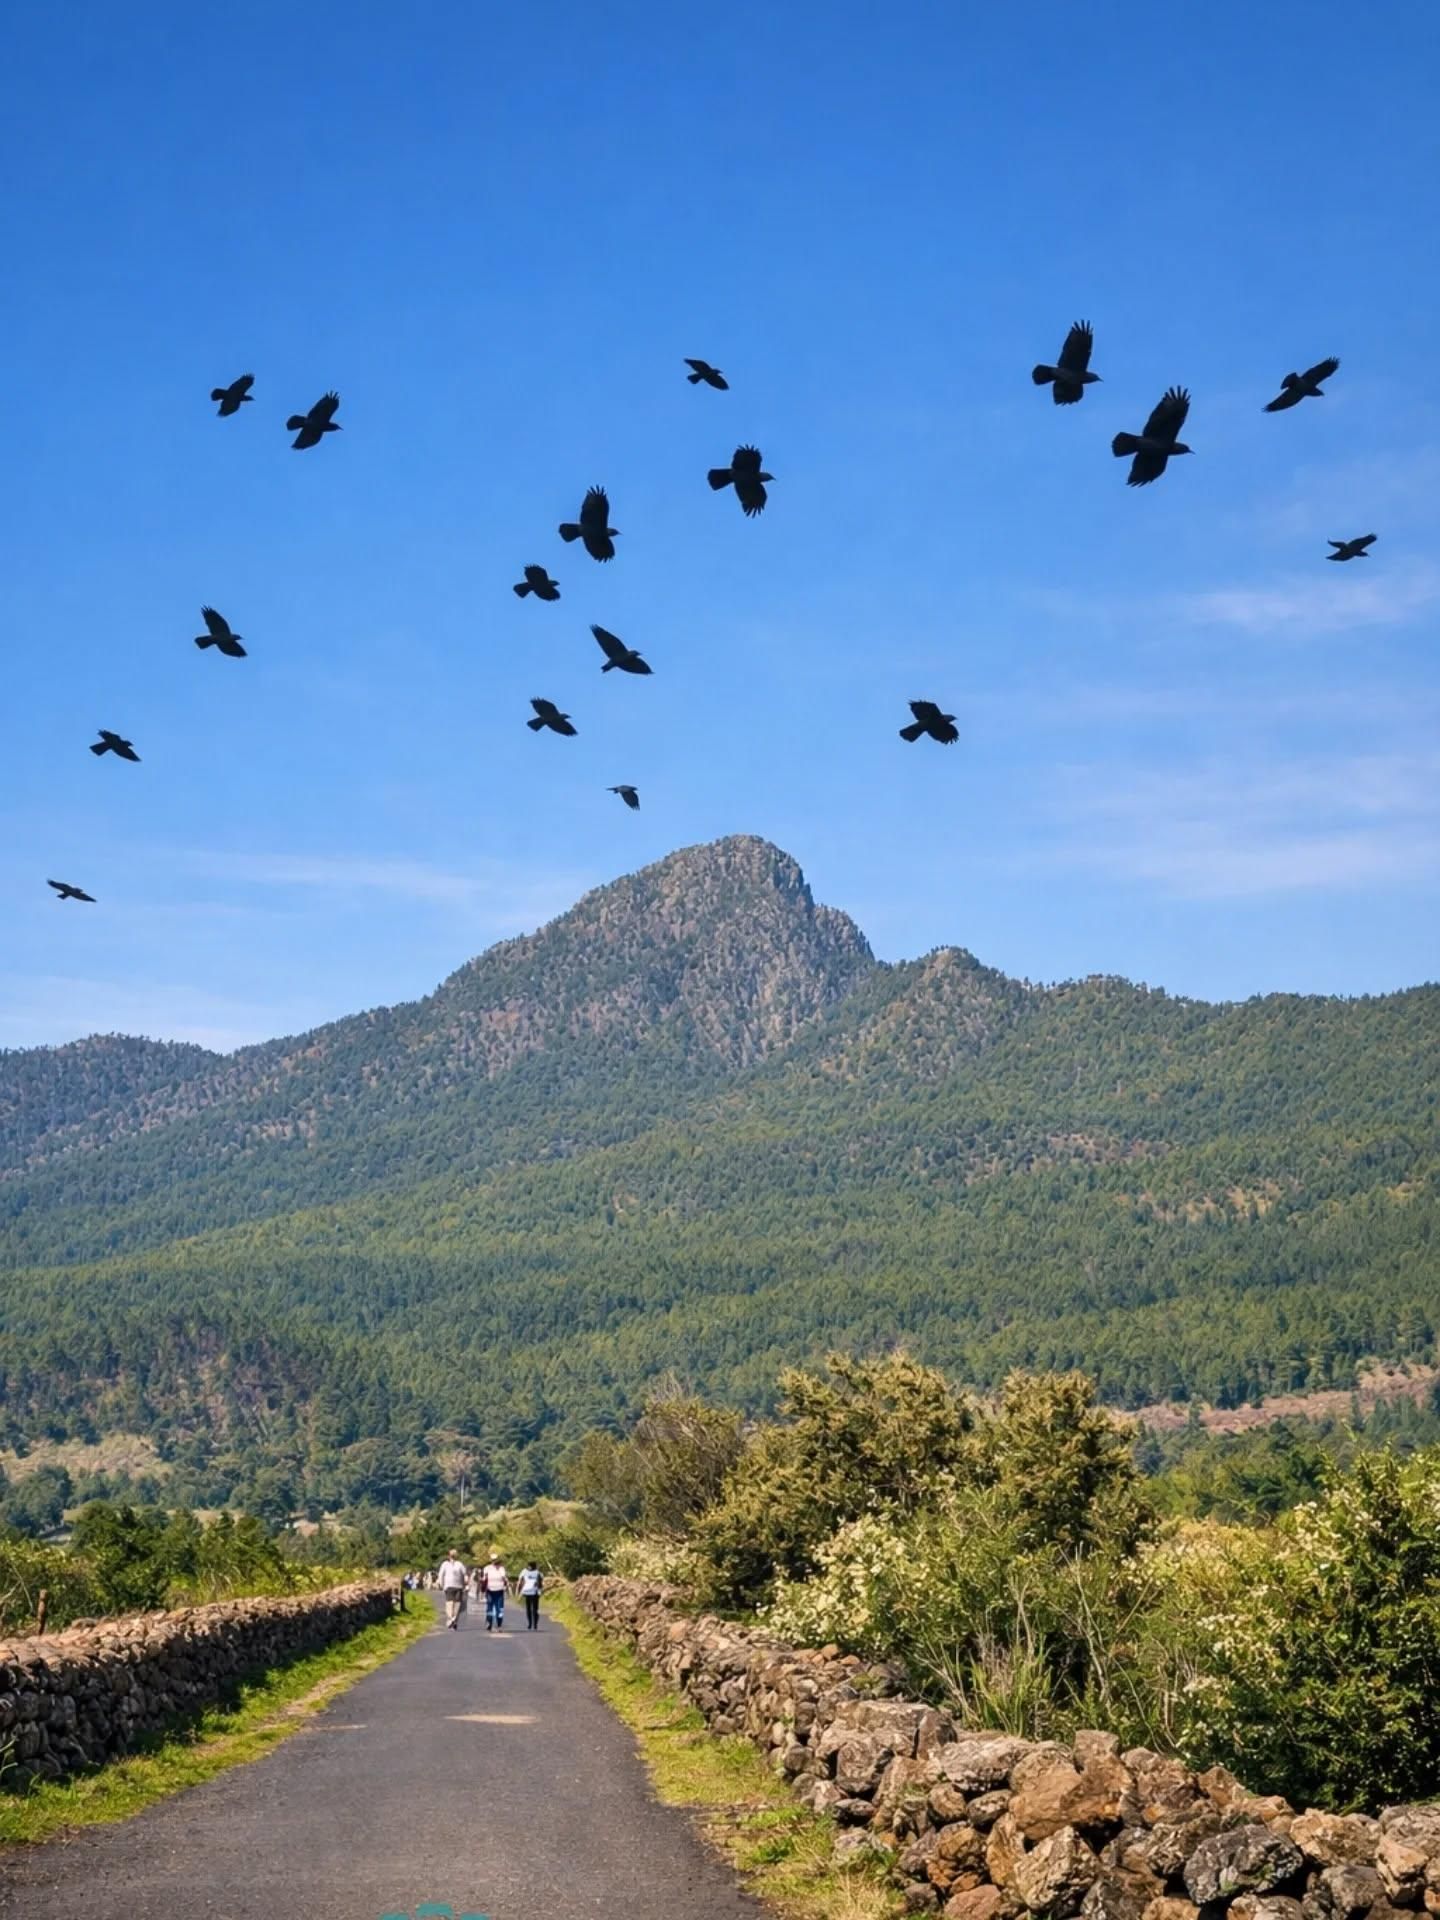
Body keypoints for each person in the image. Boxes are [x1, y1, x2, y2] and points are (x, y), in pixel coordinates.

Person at [436, 1549, 469, 1629]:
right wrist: (441, 1583)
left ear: (449, 1556)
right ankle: (453, 1619)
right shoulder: (448, 1564)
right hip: (454, 1586)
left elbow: (441, 1575)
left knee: (451, 1603)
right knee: (455, 1603)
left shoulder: (456, 1564)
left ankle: (451, 1619)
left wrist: (441, 1584)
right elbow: (465, 1575)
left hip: (453, 1586)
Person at [480, 1550, 509, 1631]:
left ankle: (499, 1625)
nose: (494, 1561)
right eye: (493, 1560)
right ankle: (489, 1623)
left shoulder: (501, 1568)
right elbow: (484, 1579)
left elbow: (504, 1578)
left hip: (499, 1590)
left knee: (499, 1608)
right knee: (491, 1607)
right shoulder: (487, 1568)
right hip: (490, 1590)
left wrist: (506, 1584)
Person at [518, 1560, 543, 1631]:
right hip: (527, 1592)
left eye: (530, 1566)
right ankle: (530, 1623)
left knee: (535, 1610)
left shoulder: (538, 1573)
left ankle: (535, 1624)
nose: (529, 1567)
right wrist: (520, 1591)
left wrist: (539, 1591)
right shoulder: (525, 1571)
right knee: (528, 1609)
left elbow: (540, 1583)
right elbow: (520, 1580)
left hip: (535, 1593)